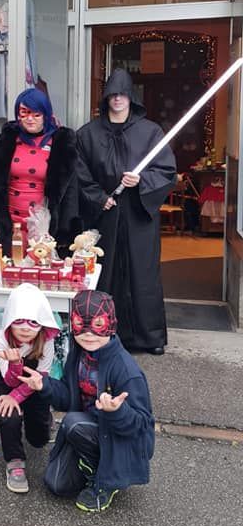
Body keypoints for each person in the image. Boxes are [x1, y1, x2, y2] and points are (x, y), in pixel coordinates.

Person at [17, 290, 155, 514]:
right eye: (81, 324)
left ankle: (108, 480)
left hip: (119, 440)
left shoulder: (126, 370)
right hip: (88, 430)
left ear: (110, 324)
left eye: (98, 325)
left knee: (73, 422)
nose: (89, 334)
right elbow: (67, 397)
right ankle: (93, 464)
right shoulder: (79, 353)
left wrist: (118, 411)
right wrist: (45, 385)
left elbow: (141, 425)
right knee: (57, 484)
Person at [76, 68, 176, 355]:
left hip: (138, 216)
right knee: (103, 274)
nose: (117, 99)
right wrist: (98, 198)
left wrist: (142, 180)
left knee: (142, 274)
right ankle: (99, 332)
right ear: (106, 97)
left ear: (131, 97)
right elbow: (79, 173)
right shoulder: (88, 134)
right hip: (105, 216)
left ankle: (149, 338)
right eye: (112, 94)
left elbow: (167, 170)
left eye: (122, 94)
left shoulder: (150, 132)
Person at [0, 88, 79, 256]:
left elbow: (70, 191)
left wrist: (66, 231)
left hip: (43, 228)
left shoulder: (61, 142)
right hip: (10, 224)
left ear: (45, 114)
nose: (29, 119)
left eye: (36, 114)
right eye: (24, 113)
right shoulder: (8, 138)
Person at [0, 283, 61, 494]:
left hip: (36, 386)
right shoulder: (0, 340)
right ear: (9, 320)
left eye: (33, 322)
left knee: (38, 440)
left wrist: (17, 396)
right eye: (18, 320)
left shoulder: (46, 343)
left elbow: (41, 377)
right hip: (10, 383)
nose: (25, 328)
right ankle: (14, 462)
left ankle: (44, 420)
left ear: (43, 324)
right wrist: (14, 365)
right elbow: (11, 382)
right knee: (9, 415)